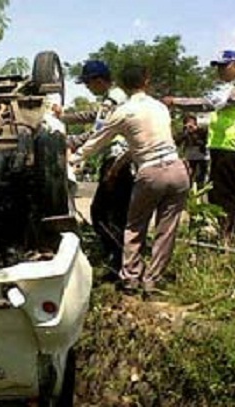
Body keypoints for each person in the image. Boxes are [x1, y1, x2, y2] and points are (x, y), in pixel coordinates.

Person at [71, 64, 190, 292]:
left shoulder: (123, 111)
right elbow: (150, 141)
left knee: (134, 226)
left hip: (150, 173)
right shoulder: (161, 108)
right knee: (166, 231)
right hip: (177, 169)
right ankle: (152, 280)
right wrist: (120, 163)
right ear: (146, 80)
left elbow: (97, 140)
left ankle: (131, 278)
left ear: (123, 84)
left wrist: (74, 159)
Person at [163, 50, 235, 245]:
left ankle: (230, 235)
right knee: (216, 192)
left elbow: (208, 105)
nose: (220, 71)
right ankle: (226, 232)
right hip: (223, 146)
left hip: (230, 146)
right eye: (218, 67)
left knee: (225, 193)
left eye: (224, 66)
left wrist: (176, 102)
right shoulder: (233, 87)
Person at [61, 60, 134, 272]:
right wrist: (63, 118)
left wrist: (67, 142)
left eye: (87, 83)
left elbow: (99, 131)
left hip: (117, 160)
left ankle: (116, 260)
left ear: (98, 80)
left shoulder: (112, 100)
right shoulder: (120, 96)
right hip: (127, 159)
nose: (87, 88)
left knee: (101, 214)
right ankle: (122, 261)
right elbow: (92, 116)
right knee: (119, 213)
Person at [177, 114, 209, 187]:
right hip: (190, 156)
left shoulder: (201, 131)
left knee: (201, 176)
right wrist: (185, 133)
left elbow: (204, 141)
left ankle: (200, 189)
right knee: (189, 175)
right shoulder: (184, 132)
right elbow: (177, 142)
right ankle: (190, 191)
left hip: (202, 156)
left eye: (191, 122)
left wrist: (195, 131)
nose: (189, 125)